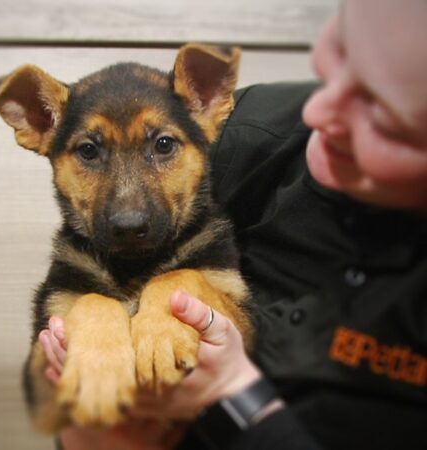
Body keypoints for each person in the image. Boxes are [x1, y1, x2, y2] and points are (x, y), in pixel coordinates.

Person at [39, 0, 427, 448]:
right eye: (339, 55)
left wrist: (235, 395)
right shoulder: (238, 136)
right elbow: (82, 314)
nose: (319, 112)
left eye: (382, 116)